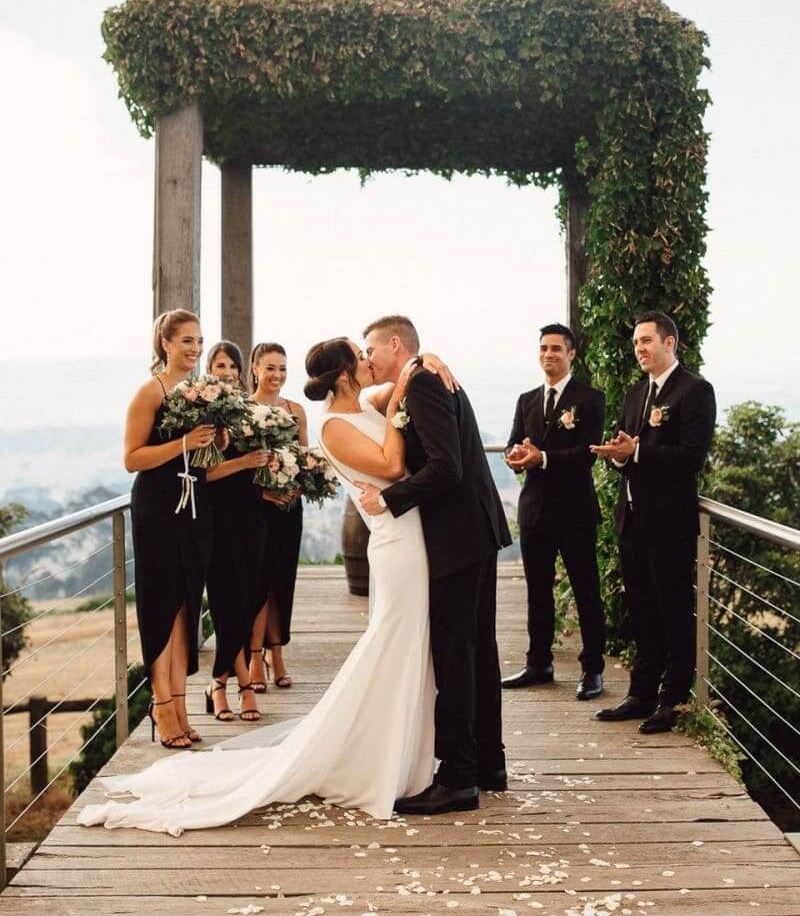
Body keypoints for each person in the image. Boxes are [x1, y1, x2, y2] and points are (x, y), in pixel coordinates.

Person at [76, 339, 452, 832]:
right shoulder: (334, 425)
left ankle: (403, 751)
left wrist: (425, 362)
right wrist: (400, 397)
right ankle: (371, 753)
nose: (368, 361)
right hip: (394, 543)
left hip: (409, 536)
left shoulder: (363, 403)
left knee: (408, 642)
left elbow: (400, 381)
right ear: (344, 373)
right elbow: (392, 465)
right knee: (391, 640)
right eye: (359, 356)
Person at [358, 315, 512, 816]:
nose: (367, 359)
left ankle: (459, 778)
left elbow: (447, 467)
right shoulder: (421, 376)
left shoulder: (424, 383)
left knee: (456, 655)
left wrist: (389, 498)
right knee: (478, 650)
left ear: (395, 344)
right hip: (474, 530)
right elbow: (371, 397)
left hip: (458, 537)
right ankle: (489, 763)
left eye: (371, 349)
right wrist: (419, 363)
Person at [591, 311, 716, 733]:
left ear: (669, 343)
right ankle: (641, 693)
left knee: (673, 611)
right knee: (641, 610)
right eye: (635, 343)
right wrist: (619, 456)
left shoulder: (695, 391)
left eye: (646, 340)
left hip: (669, 523)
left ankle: (673, 699)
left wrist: (638, 452)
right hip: (632, 520)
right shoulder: (634, 394)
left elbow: (691, 457)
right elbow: (626, 451)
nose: (639, 349)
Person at [124, 309, 216, 750]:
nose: (195, 349)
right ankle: (161, 705)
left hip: (194, 507)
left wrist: (214, 444)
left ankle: (180, 704)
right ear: (166, 344)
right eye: (186, 341)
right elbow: (132, 458)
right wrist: (182, 443)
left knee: (185, 604)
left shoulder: (202, 393)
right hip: (158, 509)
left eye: (199, 341)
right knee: (161, 604)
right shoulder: (150, 392)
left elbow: (203, 460)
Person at [502, 323, 607, 700]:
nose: (548, 354)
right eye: (543, 348)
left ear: (571, 354)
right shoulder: (527, 399)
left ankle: (593, 669)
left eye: (556, 349)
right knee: (538, 592)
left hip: (575, 511)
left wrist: (542, 458)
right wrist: (516, 455)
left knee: (586, 590)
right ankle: (538, 664)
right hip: (535, 511)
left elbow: (587, 454)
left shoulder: (590, 399)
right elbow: (513, 444)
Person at [204, 341, 266, 723]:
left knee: (246, 600)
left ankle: (219, 683)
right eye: (220, 365)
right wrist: (244, 461)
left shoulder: (248, 412)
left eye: (232, 366)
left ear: (241, 373)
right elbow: (205, 474)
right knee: (227, 602)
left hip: (251, 516)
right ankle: (238, 685)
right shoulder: (202, 412)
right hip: (216, 519)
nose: (227, 372)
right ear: (209, 370)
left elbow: (260, 463)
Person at [247, 342, 307, 691]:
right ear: (255, 369)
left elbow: (303, 458)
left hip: (288, 510)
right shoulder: (242, 411)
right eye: (270, 368)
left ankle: (277, 654)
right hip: (255, 510)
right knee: (258, 584)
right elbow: (237, 470)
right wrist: (263, 492)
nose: (277, 375)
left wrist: (300, 485)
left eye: (282, 368)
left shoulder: (296, 410)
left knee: (282, 583)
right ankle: (255, 658)